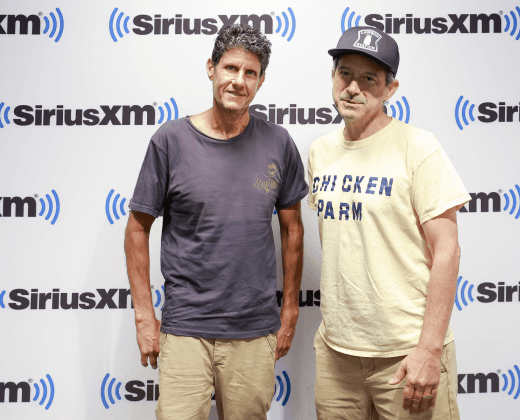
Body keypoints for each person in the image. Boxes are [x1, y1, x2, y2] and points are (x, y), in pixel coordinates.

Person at [124, 24, 308, 420]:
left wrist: (290, 308)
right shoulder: (170, 141)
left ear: (260, 81)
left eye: (250, 73)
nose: (238, 81)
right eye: (230, 68)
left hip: (254, 329)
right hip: (186, 327)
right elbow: (137, 228)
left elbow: (293, 229)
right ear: (211, 68)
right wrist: (143, 315)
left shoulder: (279, 142)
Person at [308, 26, 471, 419]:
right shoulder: (321, 151)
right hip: (337, 355)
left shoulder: (418, 147)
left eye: (369, 79)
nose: (353, 88)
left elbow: (447, 251)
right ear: (333, 77)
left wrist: (429, 350)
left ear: (390, 89)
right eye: (345, 73)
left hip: (406, 353)